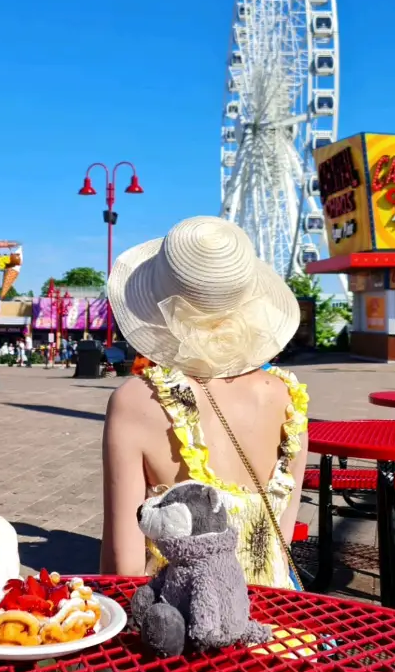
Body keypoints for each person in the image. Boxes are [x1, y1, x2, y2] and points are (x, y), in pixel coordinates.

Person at [101, 216, 308, 591]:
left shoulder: (138, 401)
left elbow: (123, 565)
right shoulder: (287, 397)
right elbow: (284, 536)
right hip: (276, 614)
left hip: (179, 625)